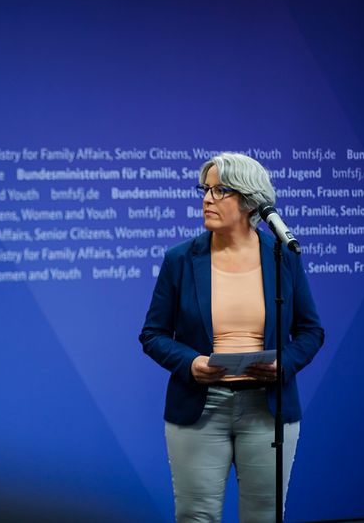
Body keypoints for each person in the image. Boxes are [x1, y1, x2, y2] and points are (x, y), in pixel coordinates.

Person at [139, 152, 324, 522]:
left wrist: (283, 363)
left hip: (268, 408)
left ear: (249, 200)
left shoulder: (282, 256)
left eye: (219, 190)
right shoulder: (180, 259)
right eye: (204, 190)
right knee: (196, 516)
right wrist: (191, 363)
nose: (206, 199)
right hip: (199, 408)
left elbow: (310, 331)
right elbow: (154, 334)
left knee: (264, 516)